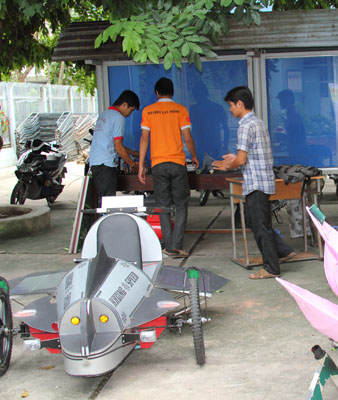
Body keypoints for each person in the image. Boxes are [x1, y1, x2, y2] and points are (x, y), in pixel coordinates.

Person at [213, 86, 295, 279]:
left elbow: (241, 160)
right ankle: (282, 251)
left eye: (231, 105)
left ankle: (271, 268)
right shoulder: (257, 122)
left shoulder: (245, 125)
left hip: (256, 182)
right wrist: (234, 157)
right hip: (261, 180)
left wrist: (228, 165)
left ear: (240, 104)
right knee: (254, 220)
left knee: (260, 225)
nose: (230, 109)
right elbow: (249, 154)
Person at [138, 77, 199, 258]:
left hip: (158, 164)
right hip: (178, 163)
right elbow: (187, 138)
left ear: (156, 92)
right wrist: (194, 155)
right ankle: (177, 245)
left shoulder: (148, 111)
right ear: (172, 92)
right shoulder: (180, 110)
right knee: (181, 204)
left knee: (162, 205)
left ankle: (168, 246)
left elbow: (144, 139)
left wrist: (141, 165)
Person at [88, 90, 140, 205]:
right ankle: (104, 217)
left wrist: (133, 153)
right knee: (107, 202)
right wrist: (132, 164)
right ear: (124, 105)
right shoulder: (118, 117)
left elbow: (112, 143)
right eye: (131, 110)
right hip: (105, 165)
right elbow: (118, 147)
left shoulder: (105, 114)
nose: (130, 114)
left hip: (97, 163)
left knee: (103, 199)